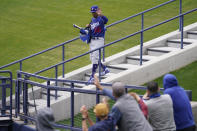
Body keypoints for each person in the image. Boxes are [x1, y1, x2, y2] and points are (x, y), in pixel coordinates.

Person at [83, 5, 110, 84]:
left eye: (94, 12)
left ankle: (92, 76)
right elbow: (91, 29)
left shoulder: (101, 18)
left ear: (97, 11)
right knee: (92, 58)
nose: (93, 14)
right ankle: (105, 69)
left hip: (99, 40)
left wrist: (101, 14)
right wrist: (88, 26)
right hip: (92, 41)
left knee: (95, 58)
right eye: (92, 12)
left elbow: (106, 20)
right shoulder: (92, 19)